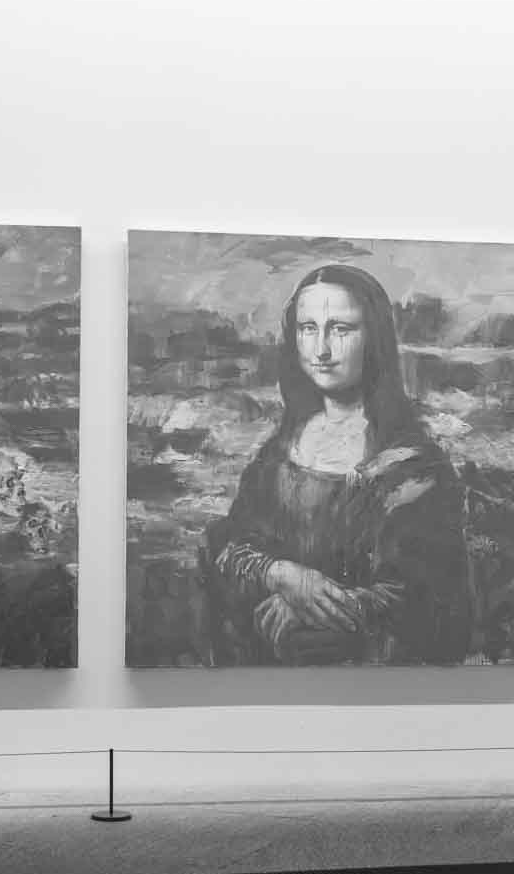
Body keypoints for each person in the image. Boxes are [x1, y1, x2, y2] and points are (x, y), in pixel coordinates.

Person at [202, 264, 471, 665]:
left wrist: (307, 607)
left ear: (374, 339)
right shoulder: (280, 450)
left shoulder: (412, 465)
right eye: (308, 328)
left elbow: (421, 602)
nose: (321, 350)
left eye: (340, 329)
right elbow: (229, 544)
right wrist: (281, 574)